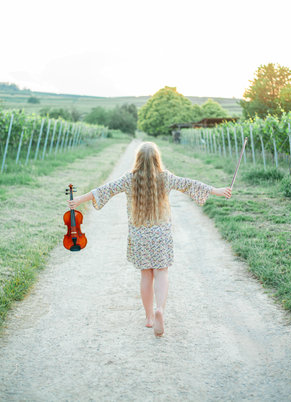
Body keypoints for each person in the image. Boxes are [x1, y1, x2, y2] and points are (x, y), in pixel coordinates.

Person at [68, 141, 232, 337]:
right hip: (160, 233)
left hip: (139, 234)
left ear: (137, 160)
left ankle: (148, 318)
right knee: (162, 272)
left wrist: (78, 200)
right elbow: (190, 184)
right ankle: (160, 309)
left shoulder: (129, 179)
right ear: (157, 159)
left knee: (146, 274)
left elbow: (103, 190)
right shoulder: (165, 178)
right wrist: (216, 190)